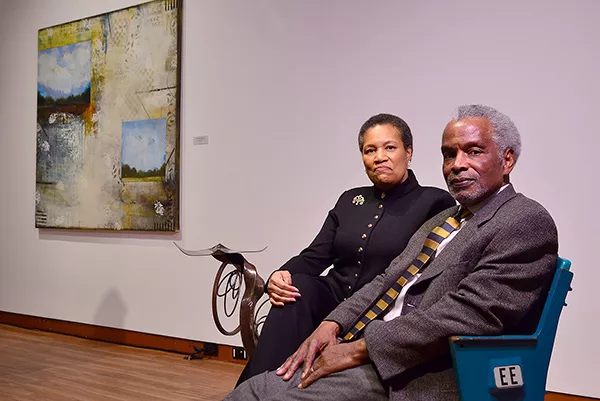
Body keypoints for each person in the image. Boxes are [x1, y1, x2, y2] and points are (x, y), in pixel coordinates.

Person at [224, 104, 558, 401]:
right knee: (257, 388)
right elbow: (389, 278)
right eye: (448, 154)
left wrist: (357, 350)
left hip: (418, 370)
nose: (457, 165)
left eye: (473, 152)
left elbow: (467, 315)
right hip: (375, 348)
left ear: (507, 159)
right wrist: (333, 322)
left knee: (257, 394)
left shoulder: (524, 220)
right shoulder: (446, 219)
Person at [237, 113, 455, 385]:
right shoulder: (351, 199)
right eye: (370, 150)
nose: (379, 157)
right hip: (332, 297)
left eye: (390, 147)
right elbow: (315, 255)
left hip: (380, 308)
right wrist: (281, 275)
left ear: (408, 152)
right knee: (297, 289)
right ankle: (260, 386)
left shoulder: (434, 202)